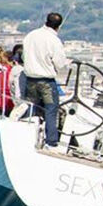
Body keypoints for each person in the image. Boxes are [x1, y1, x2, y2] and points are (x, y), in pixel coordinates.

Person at [23, 12, 69, 148]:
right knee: (51, 110)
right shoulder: (54, 40)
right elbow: (60, 63)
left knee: (31, 109)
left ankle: (27, 137)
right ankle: (51, 142)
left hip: (30, 80)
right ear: (58, 26)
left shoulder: (31, 35)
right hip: (46, 82)